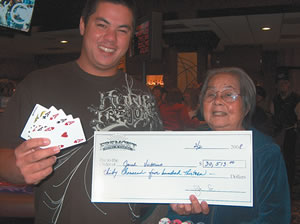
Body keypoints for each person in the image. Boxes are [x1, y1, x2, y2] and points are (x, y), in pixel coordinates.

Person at [0, 0, 166, 223]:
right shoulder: (38, 84)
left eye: (122, 30)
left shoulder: (143, 95)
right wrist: (16, 167)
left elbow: (160, 168)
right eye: (102, 25)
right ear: (82, 25)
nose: (110, 38)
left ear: (130, 38)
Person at [165, 67, 291, 223]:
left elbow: (276, 218)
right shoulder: (190, 148)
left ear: (246, 105)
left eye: (228, 95)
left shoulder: (265, 152)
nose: (217, 100)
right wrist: (180, 212)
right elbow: (174, 212)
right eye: (210, 94)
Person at [270, 72, 300, 192]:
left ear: (289, 85)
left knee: (290, 160)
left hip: (291, 133)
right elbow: (272, 116)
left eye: (285, 83)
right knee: (277, 159)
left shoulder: (296, 99)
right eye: (280, 83)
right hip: (277, 133)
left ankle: (289, 186)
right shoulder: (275, 100)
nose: (282, 85)